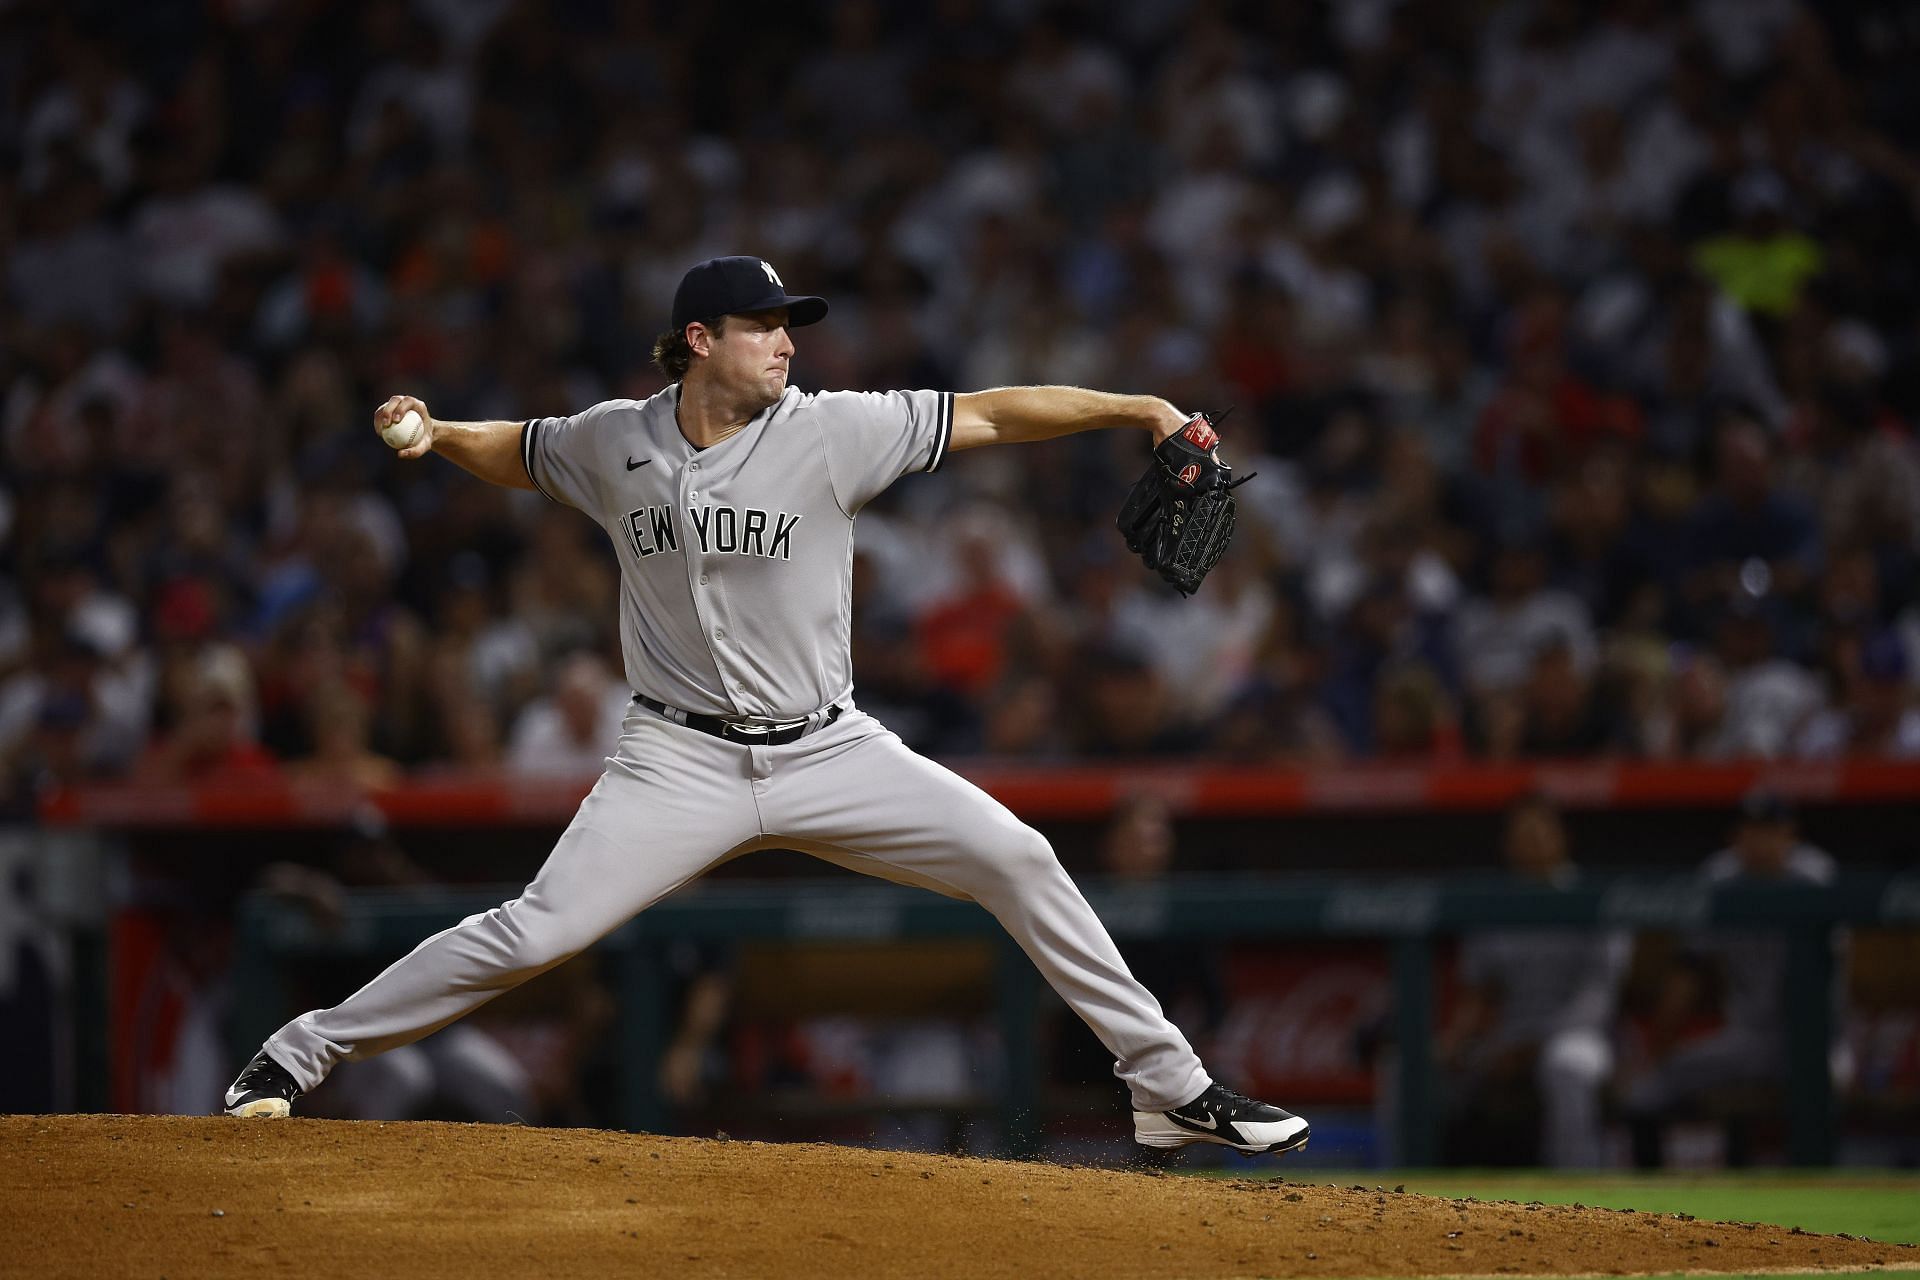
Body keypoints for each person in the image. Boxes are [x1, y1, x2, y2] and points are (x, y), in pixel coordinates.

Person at [224, 254, 1308, 1157]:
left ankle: (1171, 1087)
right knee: (534, 930)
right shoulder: (616, 439)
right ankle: (299, 1049)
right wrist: (434, 427)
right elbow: (522, 450)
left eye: (791, 327)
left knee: (1017, 856)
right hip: (675, 761)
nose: (788, 343)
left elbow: (988, 413)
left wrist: (1136, 406)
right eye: (763, 326)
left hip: (828, 747)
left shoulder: (830, 428)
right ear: (699, 338)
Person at [1438, 794, 1628, 1167]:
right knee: (1412, 1068)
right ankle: (1405, 1196)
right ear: (1508, 845)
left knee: (1565, 1065)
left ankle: (1581, 1197)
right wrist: (1450, 1046)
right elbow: (1478, 994)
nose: (1534, 841)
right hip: (1510, 1036)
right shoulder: (1496, 906)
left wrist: (1535, 1045)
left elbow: (1598, 1001)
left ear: (1563, 838)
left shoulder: (1595, 899)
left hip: (1583, 1035)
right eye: (1524, 834)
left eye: (1542, 831)